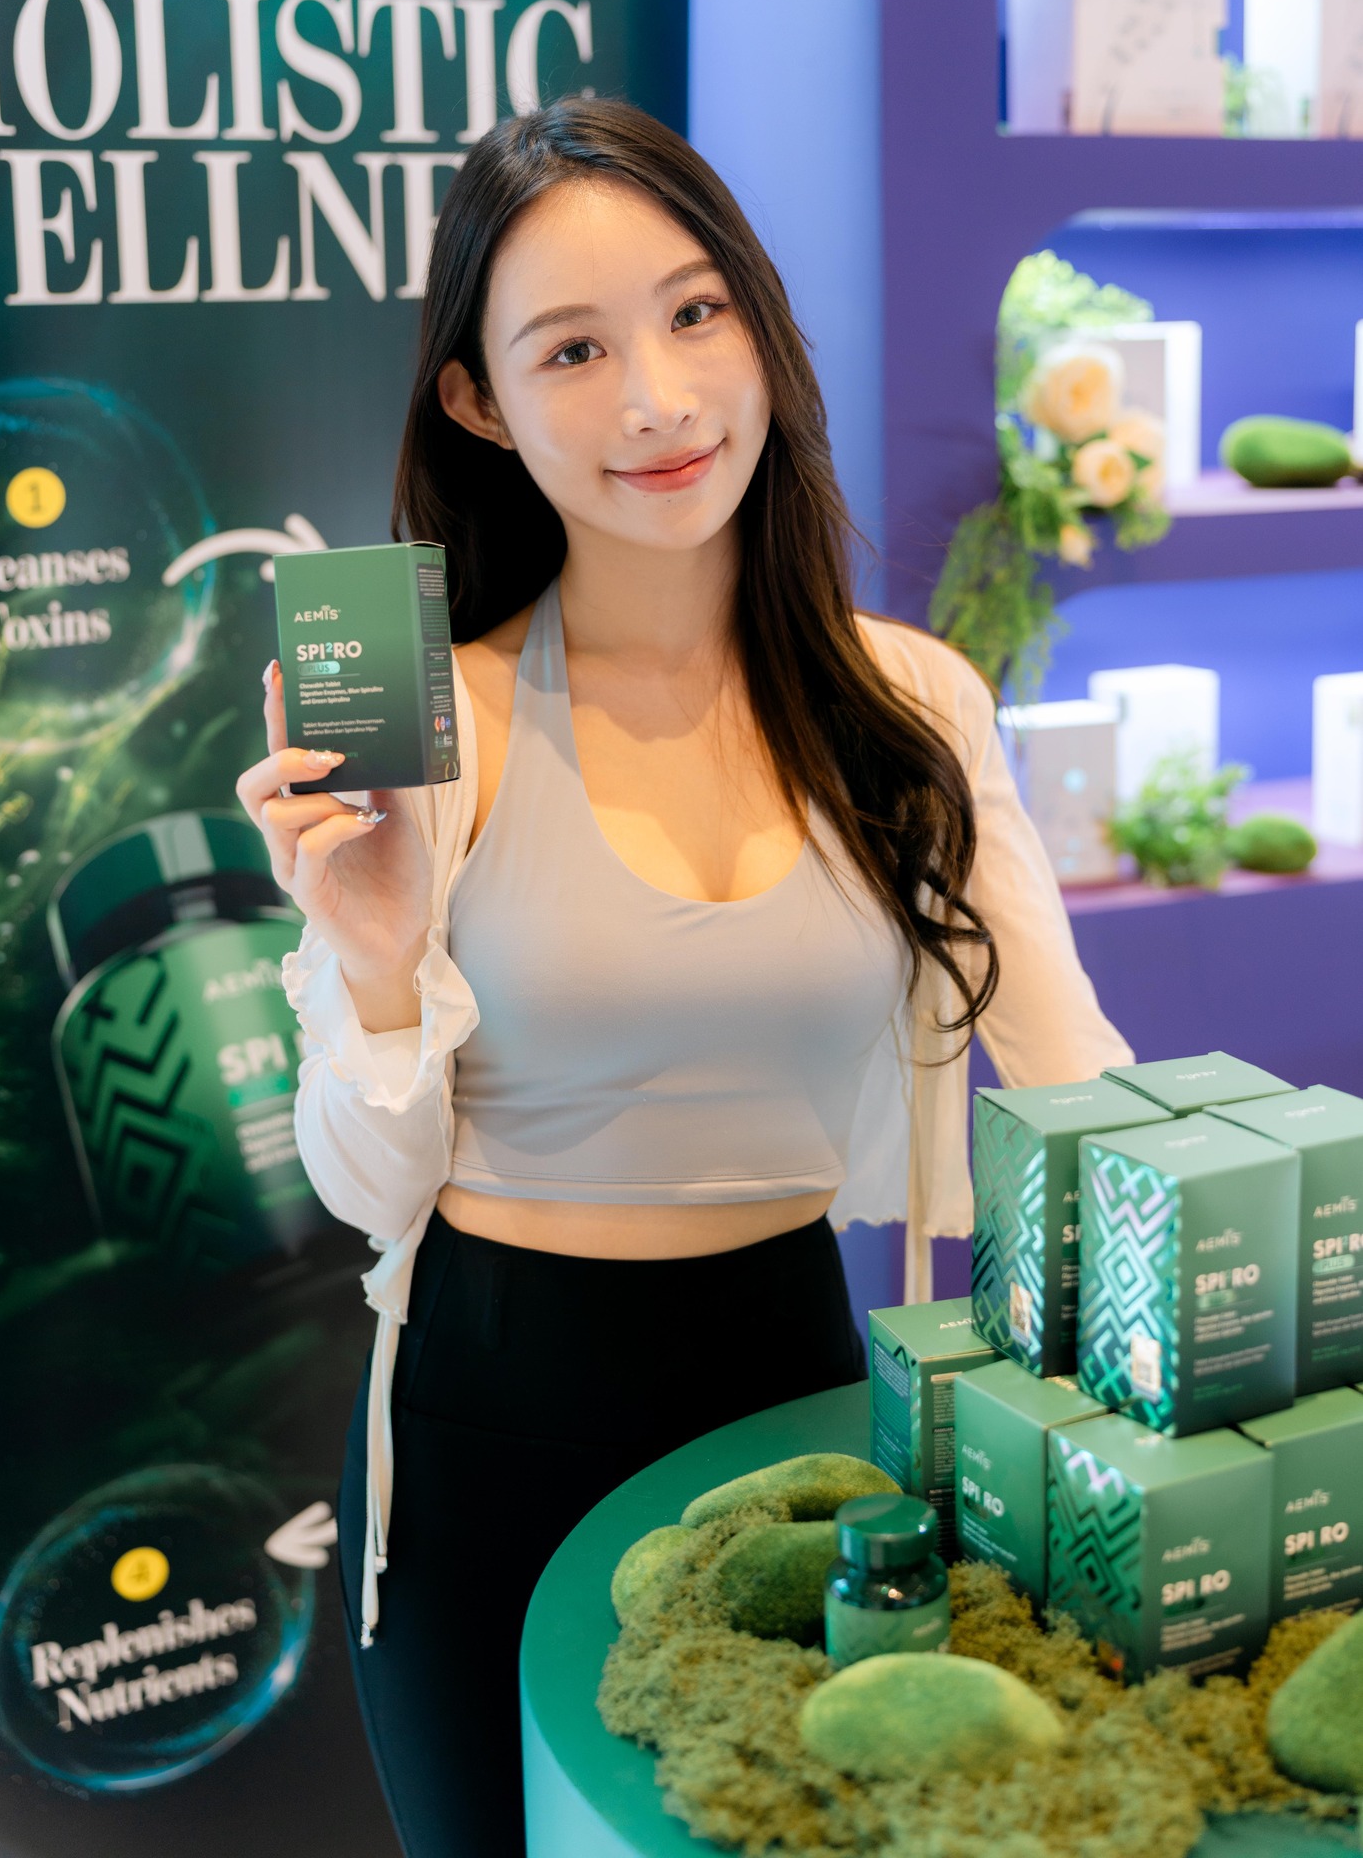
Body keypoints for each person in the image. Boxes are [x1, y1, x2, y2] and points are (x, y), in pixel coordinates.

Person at [235, 97, 1131, 1858]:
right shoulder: (431, 723)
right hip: (487, 1418)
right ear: (478, 403)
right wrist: (374, 956)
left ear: (759, 328)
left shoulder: (910, 706)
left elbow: (1078, 1085)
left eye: (694, 312)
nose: (656, 398)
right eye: (572, 350)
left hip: (794, 1393)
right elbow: (366, 1196)